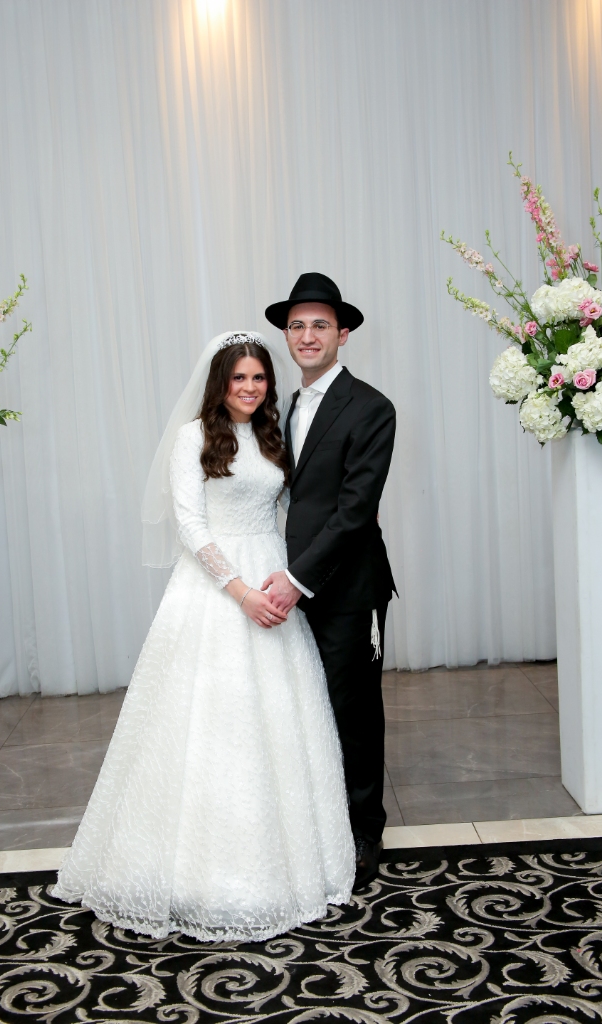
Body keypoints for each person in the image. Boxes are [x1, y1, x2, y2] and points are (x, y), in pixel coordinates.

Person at [53, 332, 355, 942]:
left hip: (273, 576)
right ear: (220, 382)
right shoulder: (194, 437)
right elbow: (190, 525)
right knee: (208, 725)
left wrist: (287, 580)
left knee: (279, 721)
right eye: (239, 378)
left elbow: (290, 508)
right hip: (216, 589)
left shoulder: (273, 436)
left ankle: (287, 865)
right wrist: (240, 592)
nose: (250, 388)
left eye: (259, 378)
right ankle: (191, 874)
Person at [263, 274, 396, 891]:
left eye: (320, 325)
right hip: (289, 582)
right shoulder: (282, 407)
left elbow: (354, 510)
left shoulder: (371, 407)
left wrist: (297, 578)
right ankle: (315, 822)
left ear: (343, 334)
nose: (308, 335)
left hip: (346, 586)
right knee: (301, 706)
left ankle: (365, 830)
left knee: (353, 710)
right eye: (297, 326)